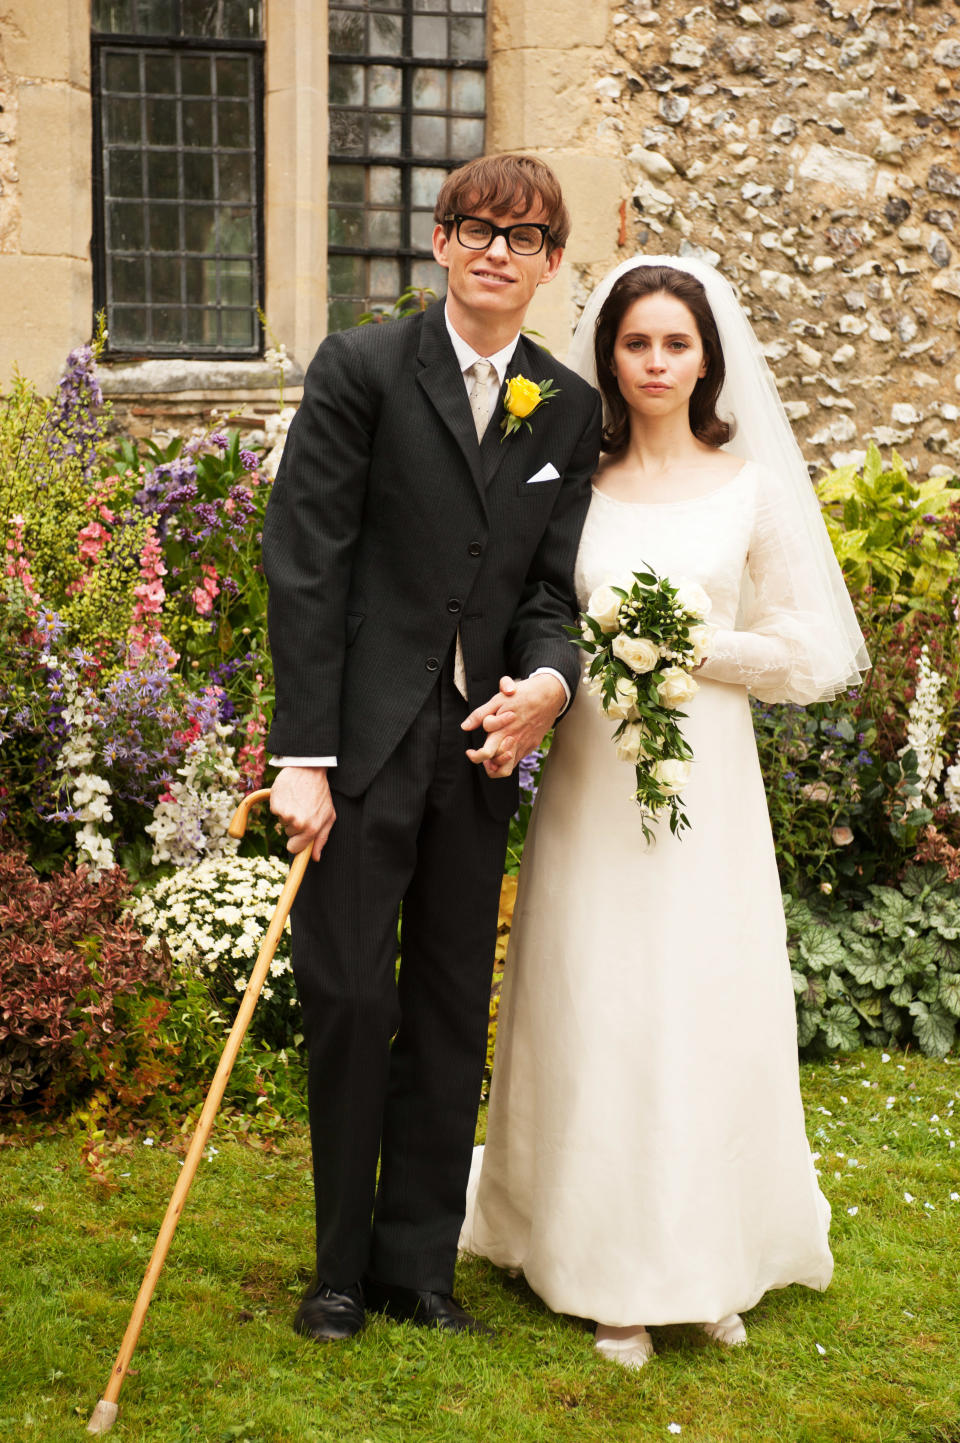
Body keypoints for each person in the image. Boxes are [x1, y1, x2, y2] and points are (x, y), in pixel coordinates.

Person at [459, 256, 870, 1368]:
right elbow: (527, 606)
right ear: (610, 355)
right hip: (593, 782)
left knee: (703, 1002)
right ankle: (606, 1266)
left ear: (706, 357)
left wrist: (693, 651)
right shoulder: (571, 479)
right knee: (599, 999)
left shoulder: (751, 486)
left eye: (673, 345)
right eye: (635, 344)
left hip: (709, 791)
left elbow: (814, 653)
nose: (653, 363)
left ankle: (711, 1256)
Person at [262, 153, 602, 1342]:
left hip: (480, 750)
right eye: (475, 228)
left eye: (524, 235)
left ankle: (418, 1266)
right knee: (353, 994)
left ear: (553, 261)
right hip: (358, 744)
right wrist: (300, 755)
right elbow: (305, 566)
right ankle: (340, 1270)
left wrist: (550, 686)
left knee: (454, 998)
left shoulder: (567, 405)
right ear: (443, 244)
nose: (498, 250)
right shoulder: (361, 369)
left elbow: (551, 588)